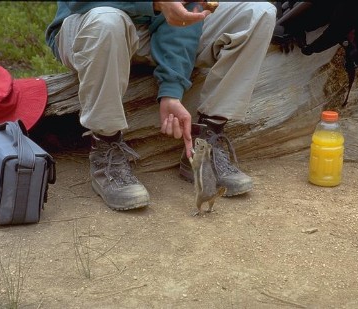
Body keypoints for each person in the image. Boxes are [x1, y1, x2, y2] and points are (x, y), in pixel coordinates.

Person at [45, 1, 276, 211]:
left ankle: (205, 142)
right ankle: (106, 147)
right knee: (107, 21)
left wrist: (172, 89)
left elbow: (187, 12)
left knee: (258, 13)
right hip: (89, 24)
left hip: (155, 30)